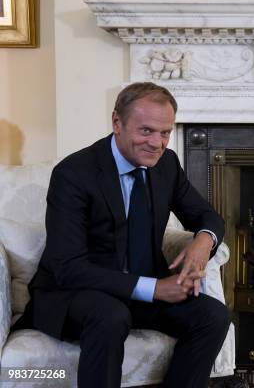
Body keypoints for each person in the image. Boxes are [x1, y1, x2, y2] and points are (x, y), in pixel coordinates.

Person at [18, 82, 229, 388]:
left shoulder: (166, 165)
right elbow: (69, 267)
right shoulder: (74, 173)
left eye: (165, 132)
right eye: (146, 131)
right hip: (75, 292)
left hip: (142, 290)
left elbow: (207, 216)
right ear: (117, 122)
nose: (157, 143)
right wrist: (154, 289)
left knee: (213, 316)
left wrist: (203, 241)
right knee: (109, 316)